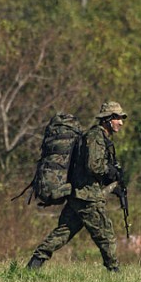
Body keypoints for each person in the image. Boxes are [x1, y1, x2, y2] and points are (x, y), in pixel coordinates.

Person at [26, 101, 127, 272]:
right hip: (87, 197)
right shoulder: (96, 137)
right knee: (106, 236)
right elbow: (93, 166)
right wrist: (109, 171)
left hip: (79, 195)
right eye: (117, 118)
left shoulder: (97, 137)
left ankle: (34, 264)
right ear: (108, 119)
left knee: (64, 232)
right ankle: (115, 272)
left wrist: (112, 184)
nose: (121, 122)